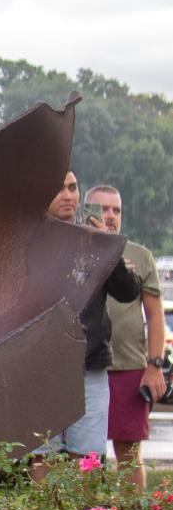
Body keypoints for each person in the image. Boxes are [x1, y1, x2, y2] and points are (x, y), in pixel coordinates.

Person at [33, 170, 141, 462]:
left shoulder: (93, 241)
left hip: (88, 362)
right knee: (42, 454)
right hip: (39, 365)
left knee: (89, 457)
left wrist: (109, 248)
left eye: (73, 187)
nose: (68, 195)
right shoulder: (29, 241)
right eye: (59, 189)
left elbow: (129, 291)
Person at [86, 183, 163, 485]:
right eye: (102, 209)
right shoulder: (77, 247)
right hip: (87, 366)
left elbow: (156, 315)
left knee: (129, 455)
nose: (110, 215)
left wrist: (155, 366)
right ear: (88, 211)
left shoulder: (139, 256)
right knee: (84, 457)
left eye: (116, 210)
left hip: (129, 366)